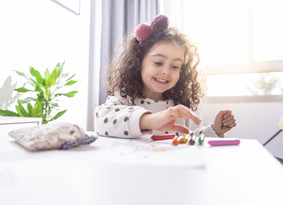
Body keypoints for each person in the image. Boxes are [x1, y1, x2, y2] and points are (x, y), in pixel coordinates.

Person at [94, 15, 236, 138]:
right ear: (138, 62)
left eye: (175, 66)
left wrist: (214, 130)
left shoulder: (177, 105)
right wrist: (150, 120)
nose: (166, 72)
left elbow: (184, 140)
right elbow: (101, 120)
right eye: (158, 62)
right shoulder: (124, 99)